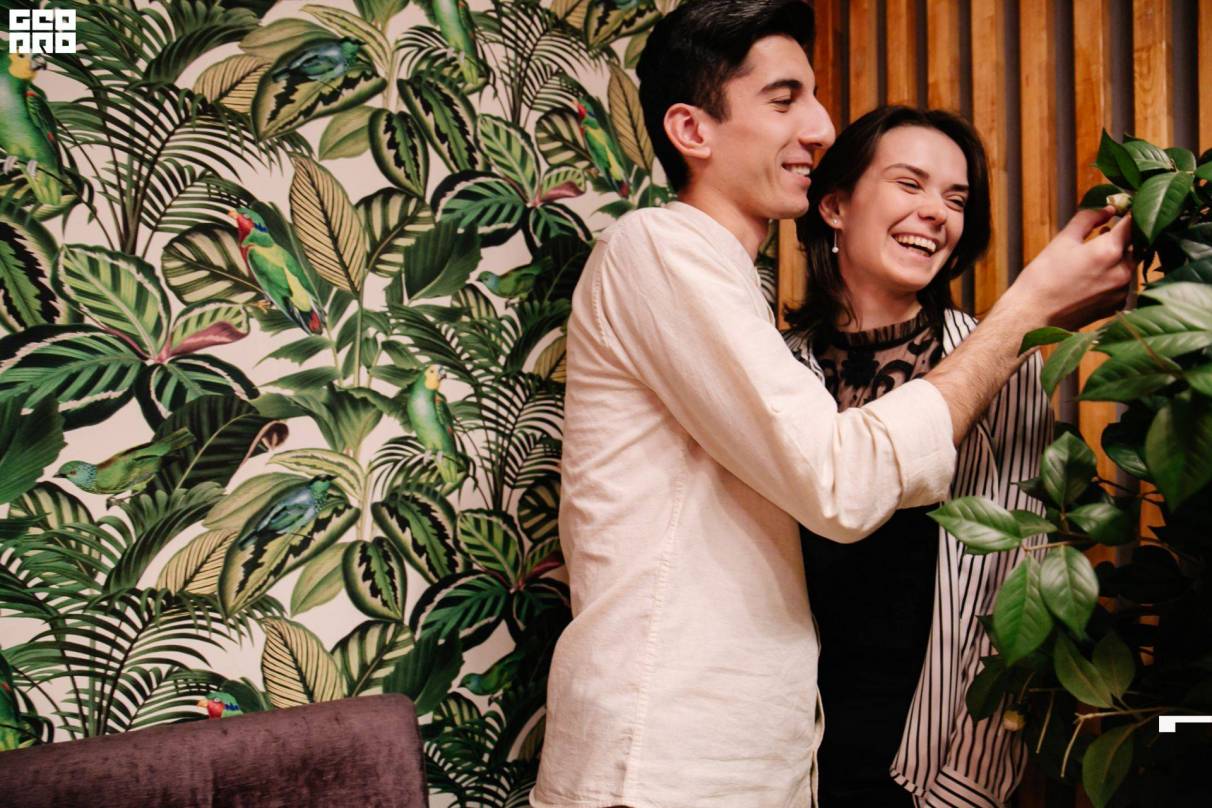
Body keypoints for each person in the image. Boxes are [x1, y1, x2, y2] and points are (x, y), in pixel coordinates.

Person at [531, 2, 1132, 806]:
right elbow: (842, 482)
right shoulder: (658, 249)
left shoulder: (735, 299)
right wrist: (1028, 311)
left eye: (815, 99)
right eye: (785, 100)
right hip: (667, 760)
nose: (820, 127)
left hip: (781, 759)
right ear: (692, 129)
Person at [783, 106, 1048, 807]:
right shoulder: (774, 370)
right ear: (835, 205)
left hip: (929, 761)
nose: (936, 212)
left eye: (956, 199)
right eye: (911, 183)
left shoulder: (1001, 364)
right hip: (780, 751)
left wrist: (969, 784)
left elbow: (1018, 587)